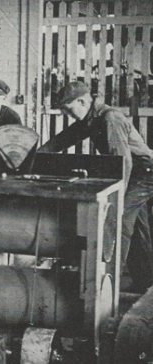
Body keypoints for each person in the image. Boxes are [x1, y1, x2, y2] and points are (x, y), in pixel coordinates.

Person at [38, 81, 153, 293]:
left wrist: (116, 198)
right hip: (136, 171)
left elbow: (123, 162)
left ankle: (106, 286)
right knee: (138, 227)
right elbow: (64, 138)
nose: (67, 114)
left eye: (69, 109)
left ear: (82, 101)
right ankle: (146, 283)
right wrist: (36, 156)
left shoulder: (109, 118)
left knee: (117, 220)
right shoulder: (91, 118)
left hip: (143, 172)